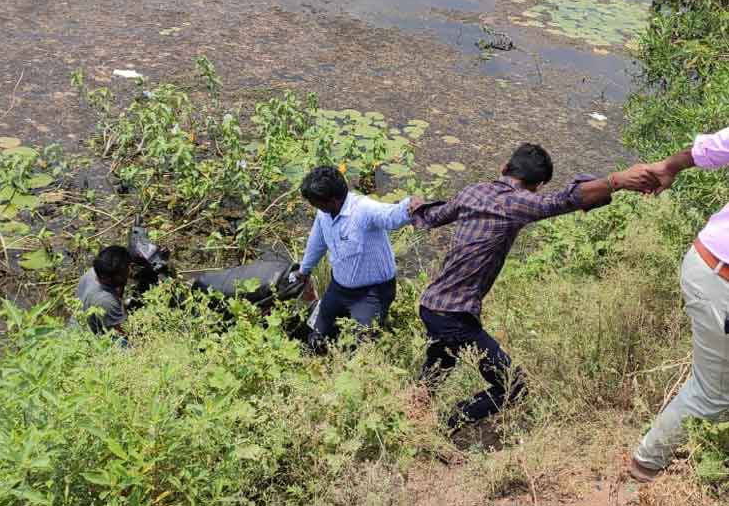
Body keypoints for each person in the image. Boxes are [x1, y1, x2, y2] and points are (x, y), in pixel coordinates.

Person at [410, 143, 658, 429]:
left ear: (504, 166)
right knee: (513, 386)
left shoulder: (472, 191)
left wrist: (414, 206)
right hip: (454, 315)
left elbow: (431, 217)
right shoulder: (517, 202)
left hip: (431, 305)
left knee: (439, 367)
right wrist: (616, 181)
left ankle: (414, 416)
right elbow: (563, 200)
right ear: (538, 185)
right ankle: (444, 425)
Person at [629, 126, 729, 482]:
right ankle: (645, 466)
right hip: (721, 282)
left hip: (708, 265)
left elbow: (714, 147)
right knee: (712, 396)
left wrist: (669, 166)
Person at [295, 166, 419, 351]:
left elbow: (390, 216)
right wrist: (304, 271)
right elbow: (316, 244)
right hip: (339, 289)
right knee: (317, 335)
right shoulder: (324, 214)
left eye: (315, 203)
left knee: (359, 348)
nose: (314, 207)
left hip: (372, 294)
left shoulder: (363, 209)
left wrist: (409, 206)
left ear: (333, 200)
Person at [77, 245, 131, 340]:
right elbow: (125, 332)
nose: (129, 272)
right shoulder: (106, 301)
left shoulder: (92, 273)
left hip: (81, 322)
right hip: (89, 339)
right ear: (112, 277)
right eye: (126, 270)